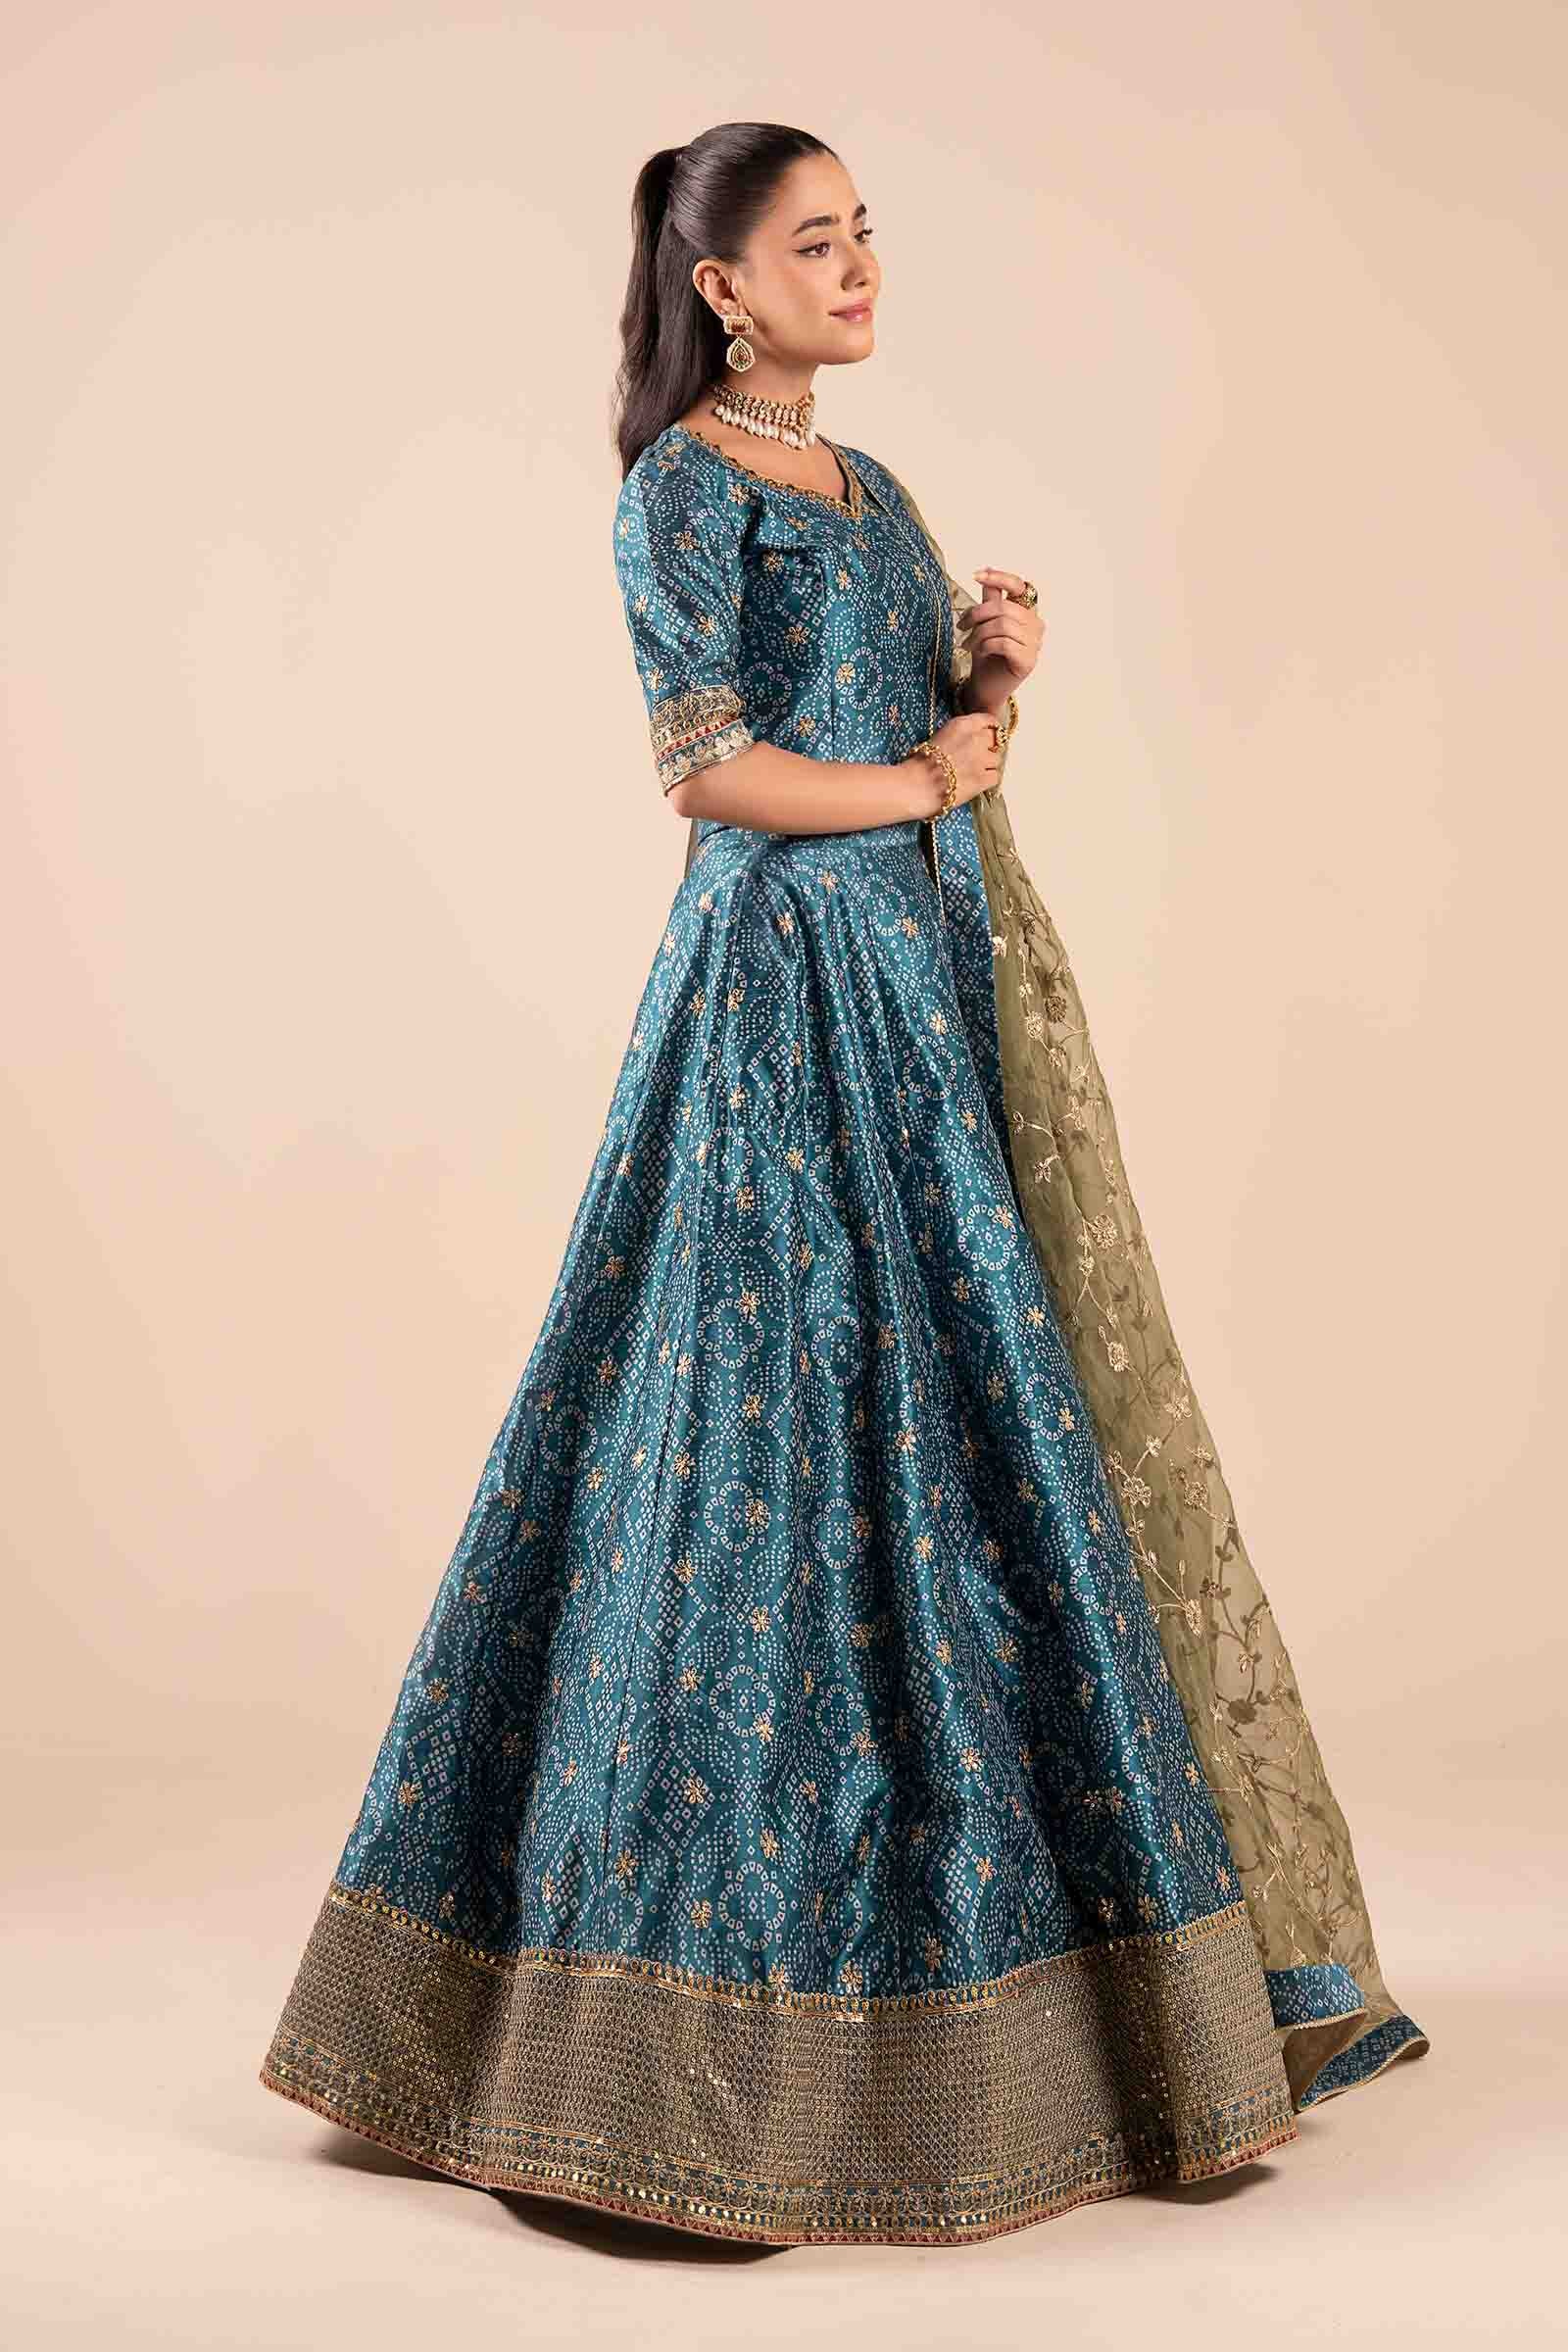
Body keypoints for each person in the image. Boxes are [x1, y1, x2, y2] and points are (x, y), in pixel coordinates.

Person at [260, 121, 1429, 2248]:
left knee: (965, 1422)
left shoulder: (875, 491)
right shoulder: (678, 492)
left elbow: (922, 760)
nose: (860, 267)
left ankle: (1090, 2016)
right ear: (721, 288)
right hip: (777, 1002)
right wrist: (917, 770)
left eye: (866, 232)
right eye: (817, 243)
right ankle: (669, 2050)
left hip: (915, 986)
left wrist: (986, 686)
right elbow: (709, 771)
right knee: (757, 1437)